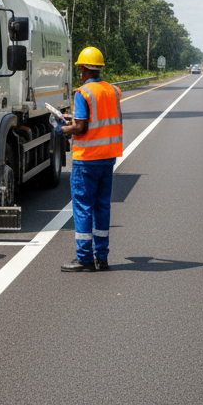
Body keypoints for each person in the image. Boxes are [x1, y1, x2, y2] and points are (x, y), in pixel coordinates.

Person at [56, 46, 123, 272]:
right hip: (107, 158)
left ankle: (84, 258)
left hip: (86, 159)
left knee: (83, 207)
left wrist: (63, 129)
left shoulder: (83, 93)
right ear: (99, 69)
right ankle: (101, 257)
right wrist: (72, 119)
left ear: (83, 69)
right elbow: (98, 119)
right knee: (102, 207)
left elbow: (82, 128)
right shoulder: (113, 91)